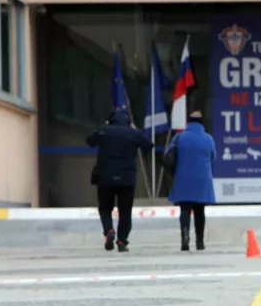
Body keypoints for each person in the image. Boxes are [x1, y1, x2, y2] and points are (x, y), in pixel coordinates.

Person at [86, 108, 153, 253]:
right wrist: (136, 130)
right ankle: (122, 240)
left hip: (105, 178)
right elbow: (148, 145)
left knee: (105, 208)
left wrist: (104, 127)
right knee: (125, 211)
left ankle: (109, 230)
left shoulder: (105, 131)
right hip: (127, 179)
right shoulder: (133, 133)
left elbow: (89, 140)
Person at [166, 110, 216, 251]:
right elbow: (213, 158)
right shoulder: (208, 138)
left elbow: (168, 156)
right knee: (200, 210)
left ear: (188, 122)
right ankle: (199, 241)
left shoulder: (179, 137)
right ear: (202, 123)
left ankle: (185, 237)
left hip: (183, 177)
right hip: (202, 178)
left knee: (185, 209)